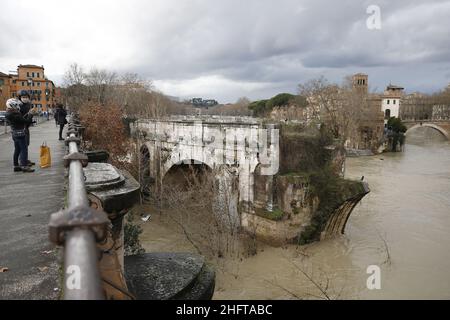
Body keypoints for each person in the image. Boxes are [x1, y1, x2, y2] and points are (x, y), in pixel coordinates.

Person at [5, 98, 35, 173]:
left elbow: (20, 120)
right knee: (24, 150)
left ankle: (16, 166)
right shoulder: (15, 114)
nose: (18, 106)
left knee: (17, 149)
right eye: (17, 105)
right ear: (13, 105)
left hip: (14, 134)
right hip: (20, 133)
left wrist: (27, 115)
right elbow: (26, 121)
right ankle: (24, 166)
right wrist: (31, 114)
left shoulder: (8, 113)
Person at [17, 89, 36, 166]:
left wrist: (31, 119)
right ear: (20, 97)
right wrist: (30, 115)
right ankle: (22, 161)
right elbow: (22, 119)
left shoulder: (28, 105)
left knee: (26, 144)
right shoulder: (18, 106)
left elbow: (28, 117)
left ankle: (24, 159)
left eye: (26, 97)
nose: (25, 98)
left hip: (26, 127)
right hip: (21, 128)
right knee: (22, 146)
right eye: (23, 97)